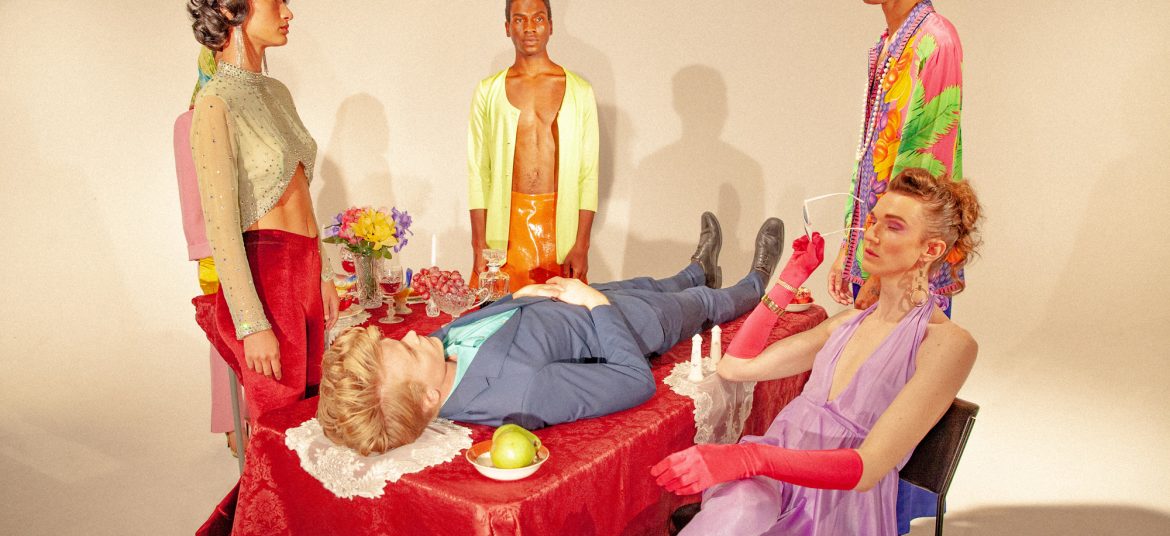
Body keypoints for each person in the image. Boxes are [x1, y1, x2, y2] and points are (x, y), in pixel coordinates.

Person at [653, 169, 982, 536]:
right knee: (741, 509)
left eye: (893, 226)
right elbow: (736, 366)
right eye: (873, 220)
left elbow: (868, 468)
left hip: (840, 505)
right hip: (769, 482)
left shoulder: (947, 343)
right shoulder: (846, 322)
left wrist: (747, 457)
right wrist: (791, 277)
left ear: (931, 249)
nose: (872, 234)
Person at [317, 213, 783, 456]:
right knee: (702, 305)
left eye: (398, 339)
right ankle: (756, 282)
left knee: (656, 282)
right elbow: (634, 381)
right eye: (407, 350)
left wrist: (519, 296)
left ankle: (697, 268)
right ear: (426, 400)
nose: (414, 336)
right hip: (626, 323)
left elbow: (489, 328)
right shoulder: (524, 390)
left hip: (581, 300)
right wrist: (595, 305)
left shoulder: (436, 357)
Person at [188, 0, 339, 423]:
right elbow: (220, 227)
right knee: (279, 424)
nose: (288, 13)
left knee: (317, 419)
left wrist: (323, 273)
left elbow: (301, 189)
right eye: (277, 1)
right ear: (230, 8)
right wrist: (251, 324)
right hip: (267, 279)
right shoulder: (215, 103)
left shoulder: (277, 92)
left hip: (306, 270)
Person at [828, 0, 964, 317]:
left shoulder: (936, 40)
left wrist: (880, 275)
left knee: (906, 348)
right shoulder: (889, 42)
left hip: (904, 267)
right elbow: (869, 158)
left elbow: (926, 173)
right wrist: (849, 247)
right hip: (876, 253)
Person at [468, 0, 599, 291]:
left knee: (559, 312)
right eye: (519, 19)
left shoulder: (579, 91)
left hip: (559, 228)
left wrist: (582, 244)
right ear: (507, 27)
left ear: (550, 26)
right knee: (499, 311)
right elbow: (478, 171)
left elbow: (588, 173)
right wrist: (478, 243)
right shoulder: (488, 91)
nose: (529, 27)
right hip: (505, 229)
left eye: (538, 19)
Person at [174, 47, 249, 456]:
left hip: (265, 245)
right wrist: (216, 256)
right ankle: (235, 429)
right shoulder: (189, 122)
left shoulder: (253, 115)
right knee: (228, 339)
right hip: (221, 255)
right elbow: (194, 202)